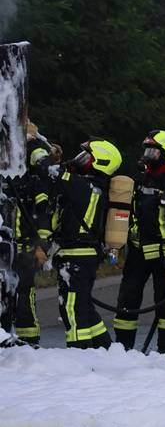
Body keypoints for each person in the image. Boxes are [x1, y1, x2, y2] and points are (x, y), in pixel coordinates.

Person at [114, 130, 165, 356]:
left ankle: (164, 351)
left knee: (164, 303)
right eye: (147, 150)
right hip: (137, 253)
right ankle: (123, 350)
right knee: (127, 299)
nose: (148, 155)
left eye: (153, 151)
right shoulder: (139, 181)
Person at [52, 139, 122, 349]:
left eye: (85, 157)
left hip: (77, 256)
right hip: (82, 256)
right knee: (84, 306)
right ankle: (104, 349)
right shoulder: (93, 187)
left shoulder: (83, 186)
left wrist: (41, 148)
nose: (79, 160)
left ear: (99, 162)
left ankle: (80, 354)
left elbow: (52, 174)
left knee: (72, 308)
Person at [8, 124, 58, 345]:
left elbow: (44, 214)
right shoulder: (15, 178)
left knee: (23, 294)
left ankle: (30, 343)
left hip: (27, 245)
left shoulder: (36, 180)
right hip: (9, 245)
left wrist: (42, 246)